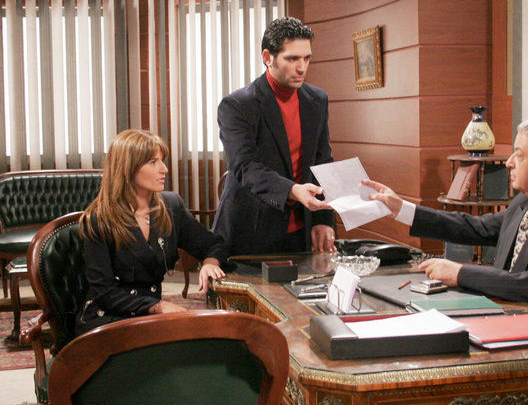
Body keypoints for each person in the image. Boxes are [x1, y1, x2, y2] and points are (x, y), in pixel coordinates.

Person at [364, 118, 528, 322]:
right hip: (513, 317)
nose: (509, 162)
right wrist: (401, 209)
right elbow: (477, 227)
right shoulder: (526, 201)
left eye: (519, 155)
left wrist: (460, 273)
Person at [76, 129, 226, 336]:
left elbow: (213, 244)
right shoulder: (98, 220)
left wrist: (210, 263)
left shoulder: (171, 207)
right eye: (153, 162)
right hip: (107, 320)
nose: (164, 169)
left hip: (149, 318)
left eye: (162, 161)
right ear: (128, 168)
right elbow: (104, 293)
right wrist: (158, 307)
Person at [213, 17, 335, 258]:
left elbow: (323, 162)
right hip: (251, 228)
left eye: (306, 58)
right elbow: (245, 167)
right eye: (292, 59)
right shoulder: (237, 105)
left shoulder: (317, 100)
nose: (301, 68)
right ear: (268, 57)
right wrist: (293, 190)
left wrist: (323, 219)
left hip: (301, 228)